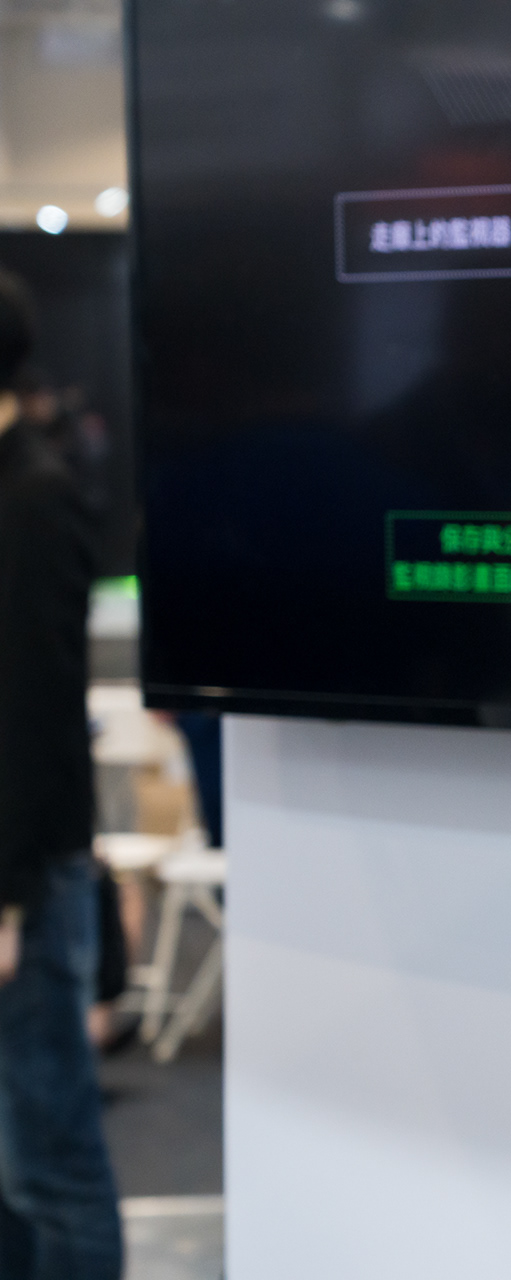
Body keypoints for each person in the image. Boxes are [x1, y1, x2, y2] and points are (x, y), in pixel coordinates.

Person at [0, 266, 123, 1279]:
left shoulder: (33, 496)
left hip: (27, 878)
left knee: (51, 1160)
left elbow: (32, 715)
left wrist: (4, 898)